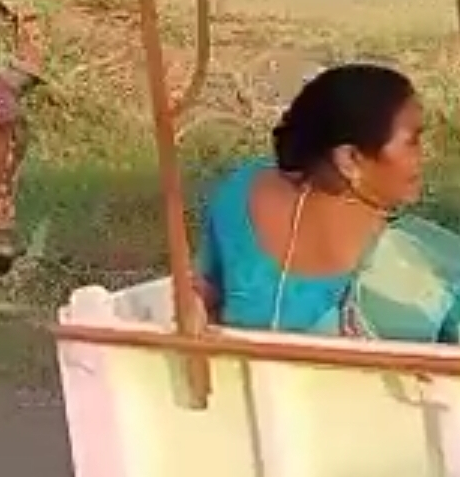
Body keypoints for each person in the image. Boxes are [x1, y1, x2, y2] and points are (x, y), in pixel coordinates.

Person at [195, 63, 460, 340]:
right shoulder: (423, 263)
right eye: (413, 141)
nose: (423, 155)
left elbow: (205, 291)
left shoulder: (244, 187)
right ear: (350, 160)